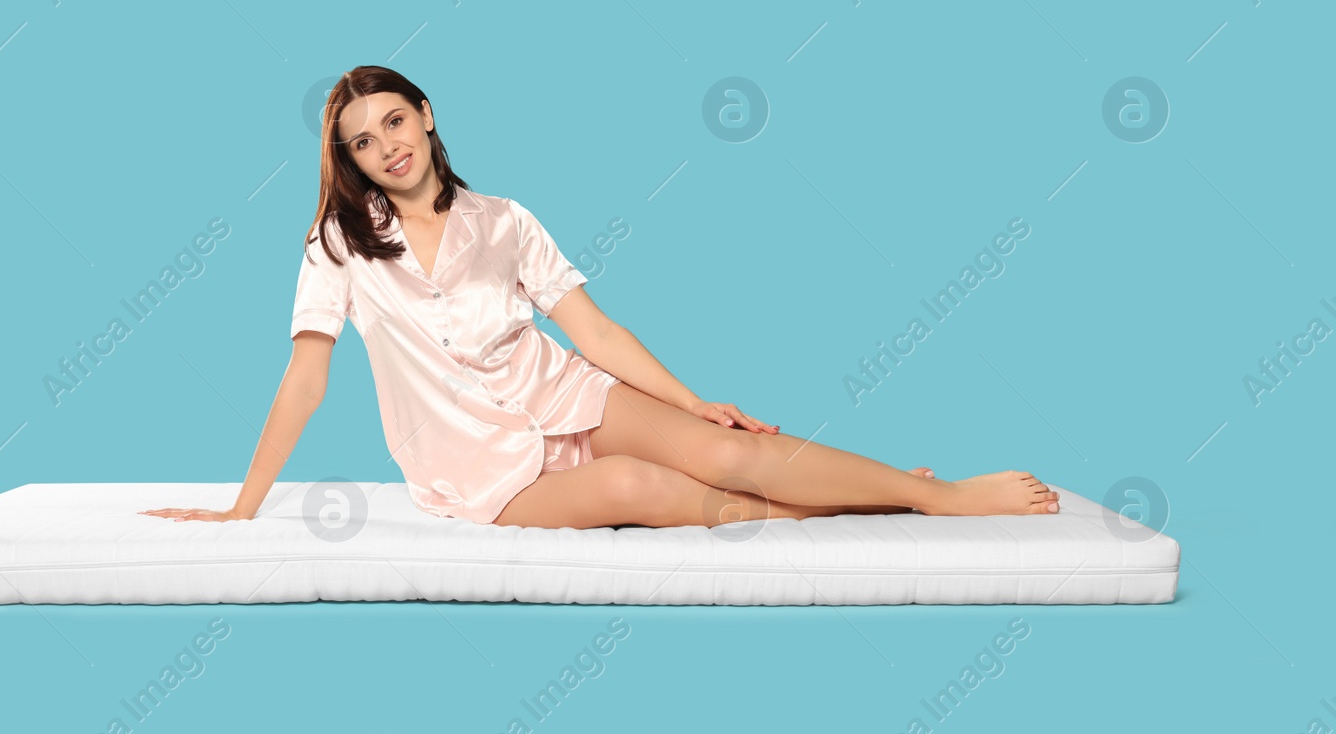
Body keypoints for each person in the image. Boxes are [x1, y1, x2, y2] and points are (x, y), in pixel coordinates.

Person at [141, 66, 1060, 530]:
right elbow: (306, 379)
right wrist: (243, 505)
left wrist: (693, 400)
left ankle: (931, 496)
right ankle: (881, 507)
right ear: (346, 161)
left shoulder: (504, 218)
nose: (385, 145)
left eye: (394, 120)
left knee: (724, 448)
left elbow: (593, 328)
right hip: (472, 460)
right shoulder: (338, 244)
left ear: (426, 116)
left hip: (563, 391)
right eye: (360, 140)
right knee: (641, 489)